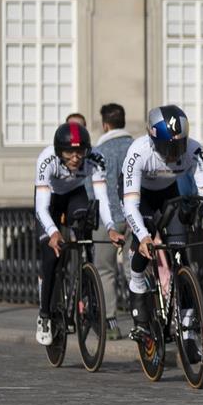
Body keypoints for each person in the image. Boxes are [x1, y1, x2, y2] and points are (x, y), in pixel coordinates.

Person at [122, 105, 203, 361]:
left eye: (177, 148)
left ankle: (188, 332)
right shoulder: (138, 152)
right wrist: (144, 236)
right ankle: (137, 287)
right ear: (152, 139)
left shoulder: (194, 149)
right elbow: (130, 205)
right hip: (142, 198)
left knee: (181, 255)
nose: (173, 155)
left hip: (169, 193)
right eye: (167, 148)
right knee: (143, 247)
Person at [33, 121, 123, 345]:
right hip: (51, 202)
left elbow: (102, 199)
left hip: (75, 195)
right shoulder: (47, 160)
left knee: (85, 220)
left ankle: (86, 277)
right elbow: (41, 208)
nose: (75, 157)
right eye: (69, 152)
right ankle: (44, 315)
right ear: (58, 151)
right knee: (51, 256)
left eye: (79, 151)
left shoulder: (95, 159)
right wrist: (53, 232)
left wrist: (110, 227)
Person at [92, 103, 134, 339]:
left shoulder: (99, 151)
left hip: (107, 218)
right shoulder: (135, 146)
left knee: (105, 270)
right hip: (133, 217)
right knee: (135, 270)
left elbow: (91, 189)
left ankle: (110, 323)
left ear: (105, 124)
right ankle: (144, 318)